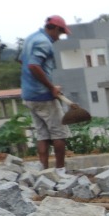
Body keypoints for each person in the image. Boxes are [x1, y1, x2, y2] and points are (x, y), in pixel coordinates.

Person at [20, 15, 71, 168]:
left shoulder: (31, 39)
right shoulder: (44, 42)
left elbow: (23, 61)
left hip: (29, 95)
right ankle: (61, 172)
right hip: (43, 95)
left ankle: (44, 172)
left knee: (42, 135)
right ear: (55, 28)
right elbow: (34, 66)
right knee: (59, 133)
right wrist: (51, 87)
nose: (59, 37)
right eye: (60, 33)